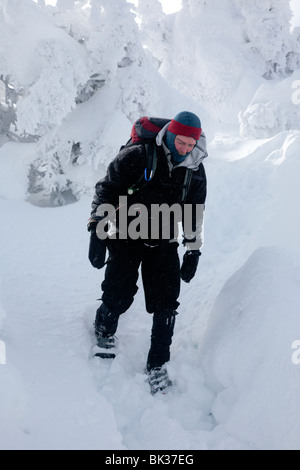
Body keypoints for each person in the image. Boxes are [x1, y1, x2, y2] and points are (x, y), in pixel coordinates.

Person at [87, 111, 207, 394]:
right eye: (181, 142)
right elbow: (106, 190)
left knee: (166, 302)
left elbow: (193, 213)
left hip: (163, 240)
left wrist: (193, 250)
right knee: (119, 293)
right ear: (170, 135)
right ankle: (104, 330)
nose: (185, 149)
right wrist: (96, 227)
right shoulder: (138, 154)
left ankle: (157, 364)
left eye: (191, 144)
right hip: (127, 234)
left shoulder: (195, 169)